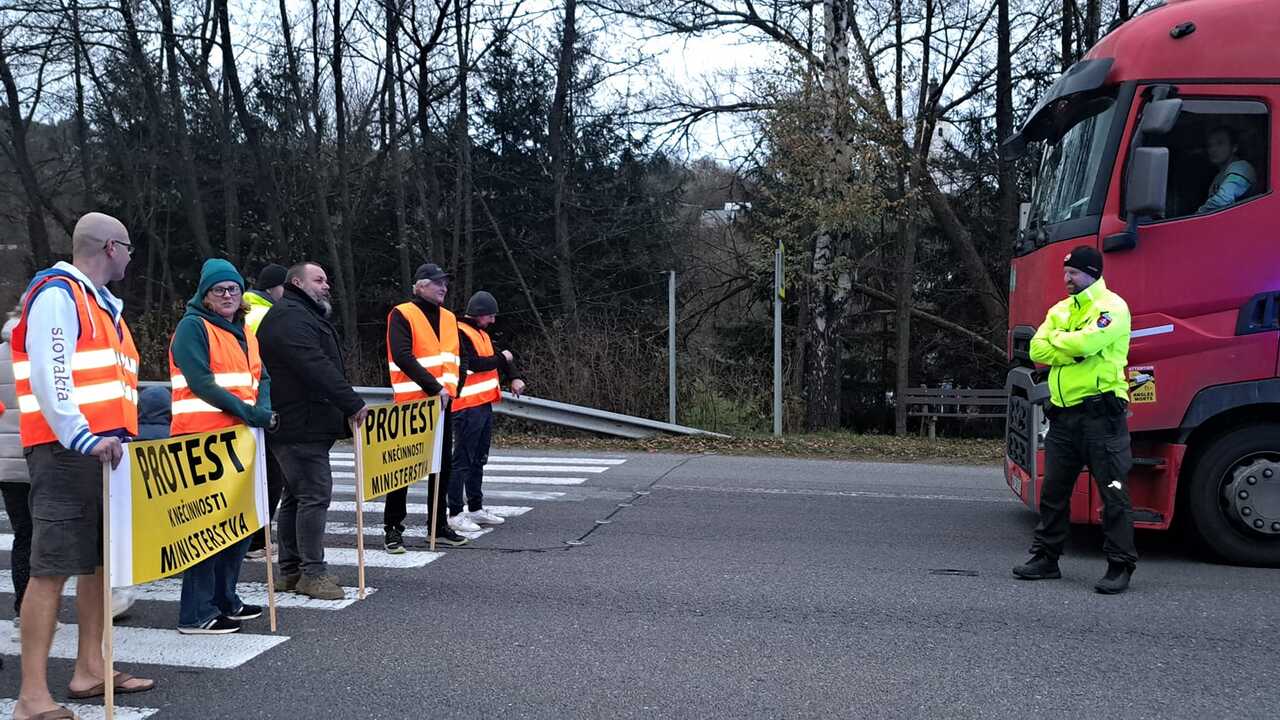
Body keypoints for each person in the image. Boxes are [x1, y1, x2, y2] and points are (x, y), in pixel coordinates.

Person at [10, 213, 155, 720]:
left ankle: (90, 668)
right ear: (112, 248)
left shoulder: (99, 304)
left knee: (98, 565)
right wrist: (81, 437)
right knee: (51, 570)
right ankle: (31, 697)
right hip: (67, 451)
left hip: (101, 452)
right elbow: (54, 377)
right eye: (130, 248)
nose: (132, 258)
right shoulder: (58, 295)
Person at [1013, 245, 1137, 595]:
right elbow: (1037, 350)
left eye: (1073, 273)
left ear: (1092, 272)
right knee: (1053, 492)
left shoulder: (1112, 307)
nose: (1066, 279)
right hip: (1064, 418)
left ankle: (1120, 564)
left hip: (1102, 417)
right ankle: (1046, 559)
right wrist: (1070, 347)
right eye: (1065, 273)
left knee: (1113, 491)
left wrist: (1061, 344)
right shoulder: (1061, 309)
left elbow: (1089, 342)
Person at [170, 260, 278, 633]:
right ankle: (196, 612)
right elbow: (201, 383)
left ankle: (225, 600)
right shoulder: (192, 327)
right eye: (220, 290)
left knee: (238, 526)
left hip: (239, 439)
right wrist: (250, 413)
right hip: (202, 441)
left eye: (233, 289)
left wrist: (261, 409)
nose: (228, 295)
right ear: (205, 295)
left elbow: (260, 375)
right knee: (206, 531)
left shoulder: (244, 330)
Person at [258, 262, 367, 601]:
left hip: (300, 421)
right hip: (298, 424)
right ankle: (312, 573)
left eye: (326, 280)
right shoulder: (291, 317)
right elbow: (314, 365)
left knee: (296, 496)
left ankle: (292, 571)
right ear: (296, 282)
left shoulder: (299, 313)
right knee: (314, 495)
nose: (326, 286)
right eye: (318, 280)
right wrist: (351, 402)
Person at [382, 264, 471, 552]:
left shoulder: (449, 317)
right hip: (412, 406)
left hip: (443, 405)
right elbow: (402, 355)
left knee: (441, 467)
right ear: (419, 286)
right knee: (403, 470)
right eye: (436, 283)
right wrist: (435, 388)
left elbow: (460, 357)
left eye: (445, 283)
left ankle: (437, 525)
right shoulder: (402, 313)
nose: (443, 287)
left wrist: (454, 388)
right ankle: (393, 528)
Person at [449, 291, 526, 529]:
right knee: (462, 461)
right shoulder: (460, 332)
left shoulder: (480, 333)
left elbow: (500, 356)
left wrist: (513, 376)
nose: (493, 321)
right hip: (465, 406)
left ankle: (475, 508)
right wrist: (503, 360)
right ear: (479, 314)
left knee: (478, 459)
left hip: (482, 405)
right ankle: (454, 514)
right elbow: (474, 364)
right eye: (490, 316)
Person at [243, 262, 288, 560]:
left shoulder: (247, 311)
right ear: (275, 288)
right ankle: (257, 540)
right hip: (262, 406)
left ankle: (252, 539)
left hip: (246, 407)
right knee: (270, 475)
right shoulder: (267, 315)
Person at [1198, 126, 1257, 213]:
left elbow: (1222, 200)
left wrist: (1198, 214)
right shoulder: (1219, 175)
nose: (1212, 149)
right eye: (1210, 145)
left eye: (1220, 143)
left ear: (1234, 148)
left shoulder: (1241, 167)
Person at [244, 263, 286, 335]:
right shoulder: (269, 315)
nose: (288, 290)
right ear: (269, 288)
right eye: (283, 286)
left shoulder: (247, 308)